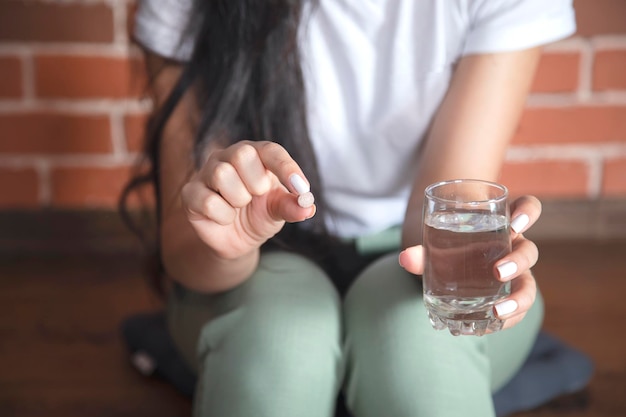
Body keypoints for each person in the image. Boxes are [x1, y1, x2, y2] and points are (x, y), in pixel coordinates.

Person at [125, 1, 576, 416]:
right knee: (280, 344)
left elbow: (442, 209)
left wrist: (476, 258)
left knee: (416, 346)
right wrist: (230, 241)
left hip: (403, 250)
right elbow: (185, 250)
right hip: (264, 256)